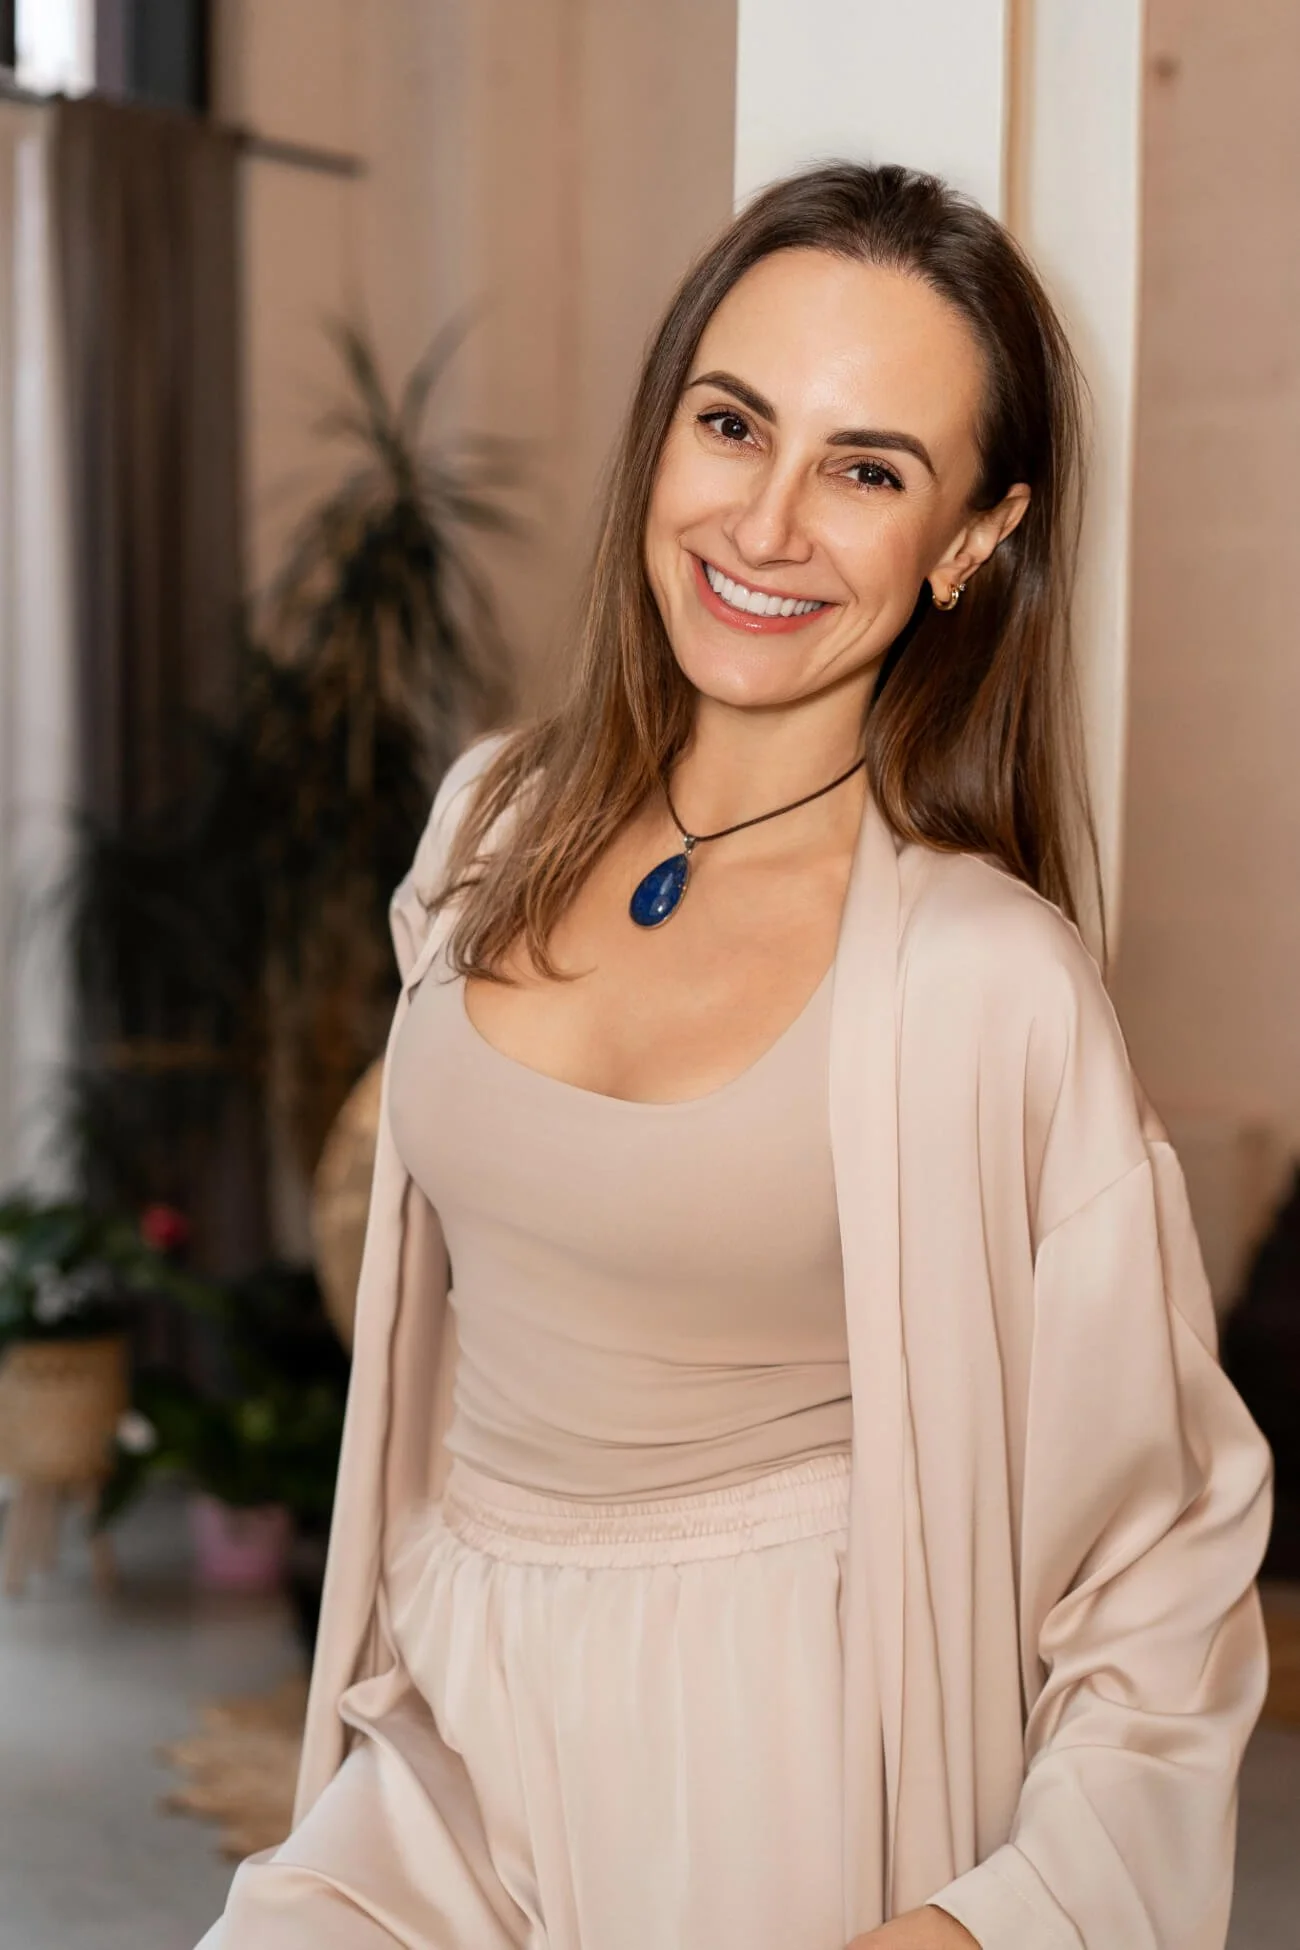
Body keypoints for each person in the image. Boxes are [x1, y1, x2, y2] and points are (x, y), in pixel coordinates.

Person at [199, 163, 1272, 1950]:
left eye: (866, 470)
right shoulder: (488, 827)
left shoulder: (982, 983)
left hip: (770, 1785)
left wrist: (981, 1928)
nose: (766, 523)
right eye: (732, 423)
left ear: (970, 542)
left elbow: (1160, 1561)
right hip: (445, 1732)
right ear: (664, 429)